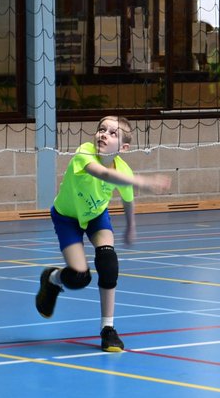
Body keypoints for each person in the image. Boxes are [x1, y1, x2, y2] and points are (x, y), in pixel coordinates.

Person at [34, 116, 170, 351]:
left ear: (123, 148)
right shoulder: (84, 153)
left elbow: (128, 200)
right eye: (101, 129)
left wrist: (131, 226)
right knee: (79, 277)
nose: (104, 134)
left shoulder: (123, 169)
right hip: (67, 217)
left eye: (113, 133)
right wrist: (143, 181)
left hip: (96, 216)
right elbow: (104, 175)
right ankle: (52, 279)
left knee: (108, 264)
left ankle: (108, 329)